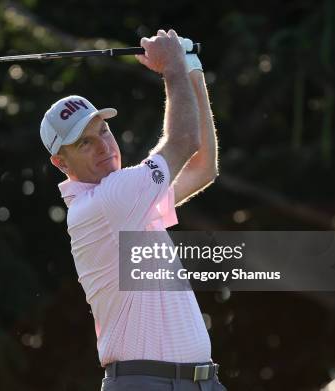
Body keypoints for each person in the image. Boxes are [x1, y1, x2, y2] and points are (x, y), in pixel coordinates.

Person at [39, 29, 223, 390]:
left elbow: (203, 168)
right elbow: (184, 140)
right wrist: (171, 68)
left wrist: (191, 69)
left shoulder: (129, 199)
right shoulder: (108, 200)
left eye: (103, 132)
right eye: (85, 143)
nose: (103, 148)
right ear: (61, 162)